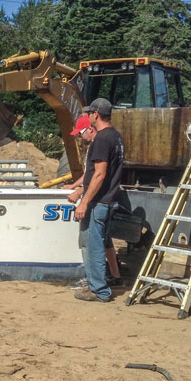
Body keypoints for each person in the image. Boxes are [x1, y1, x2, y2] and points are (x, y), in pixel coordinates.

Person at [71, 99, 125, 302]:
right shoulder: (116, 137)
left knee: (93, 246)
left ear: (96, 114)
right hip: (108, 200)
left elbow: (99, 174)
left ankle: (99, 290)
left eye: (90, 113)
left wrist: (84, 201)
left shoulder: (102, 139)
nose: (89, 116)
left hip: (99, 202)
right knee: (93, 243)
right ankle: (96, 284)